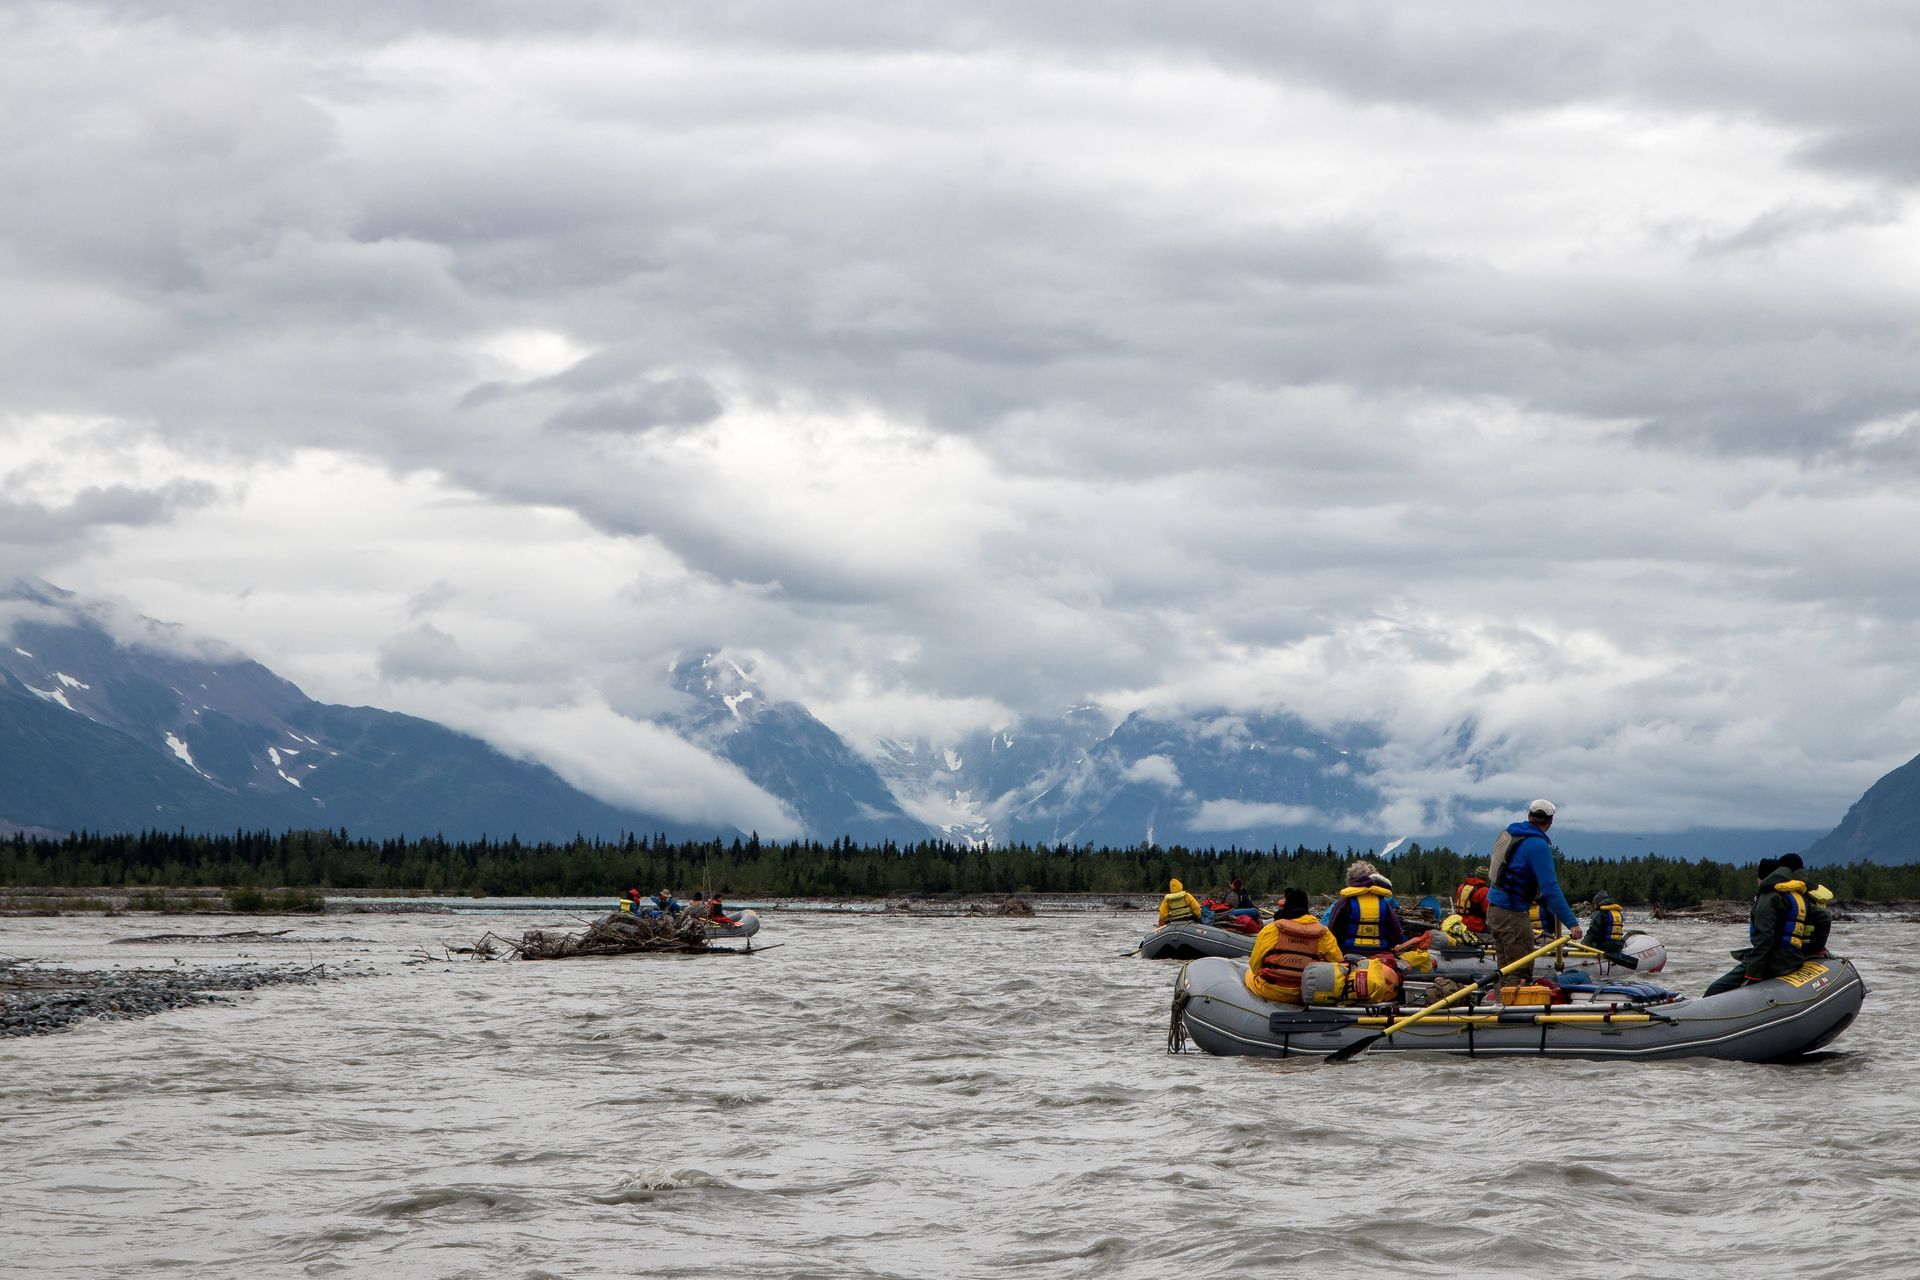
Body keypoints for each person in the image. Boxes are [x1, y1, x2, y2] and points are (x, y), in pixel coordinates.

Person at [1486, 800, 1582, 989]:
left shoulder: (1511, 833)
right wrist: (1572, 923)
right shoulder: (1538, 845)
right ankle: (1515, 1014)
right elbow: (1551, 889)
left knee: (1505, 968)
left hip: (1494, 910)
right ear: (1550, 822)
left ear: (1529, 816)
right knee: (1520, 971)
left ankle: (1501, 1005)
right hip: (1511, 914)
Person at [1703, 857, 1826, 996]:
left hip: (1774, 962)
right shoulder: (1796, 896)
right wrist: (1816, 948)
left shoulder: (1768, 897)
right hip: (1794, 959)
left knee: (1714, 990)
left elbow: (1765, 938)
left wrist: (1753, 975)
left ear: (1759, 878)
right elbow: (1825, 917)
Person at [1245, 887, 1344, 1003]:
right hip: (1305, 993)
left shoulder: (1272, 929)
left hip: (1271, 991)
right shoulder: (1324, 933)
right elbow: (1338, 963)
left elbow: (1255, 965)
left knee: (1249, 973)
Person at [1327, 861, 1406, 956]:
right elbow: (1396, 934)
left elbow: (1332, 931)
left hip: (1348, 953)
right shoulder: (1384, 903)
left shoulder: (1344, 902)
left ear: (1351, 880)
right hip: (1379, 954)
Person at [1453, 867, 1491, 935]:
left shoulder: (1462, 886)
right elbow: (1488, 912)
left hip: (1459, 922)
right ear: (1486, 877)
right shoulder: (1484, 890)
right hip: (1476, 926)